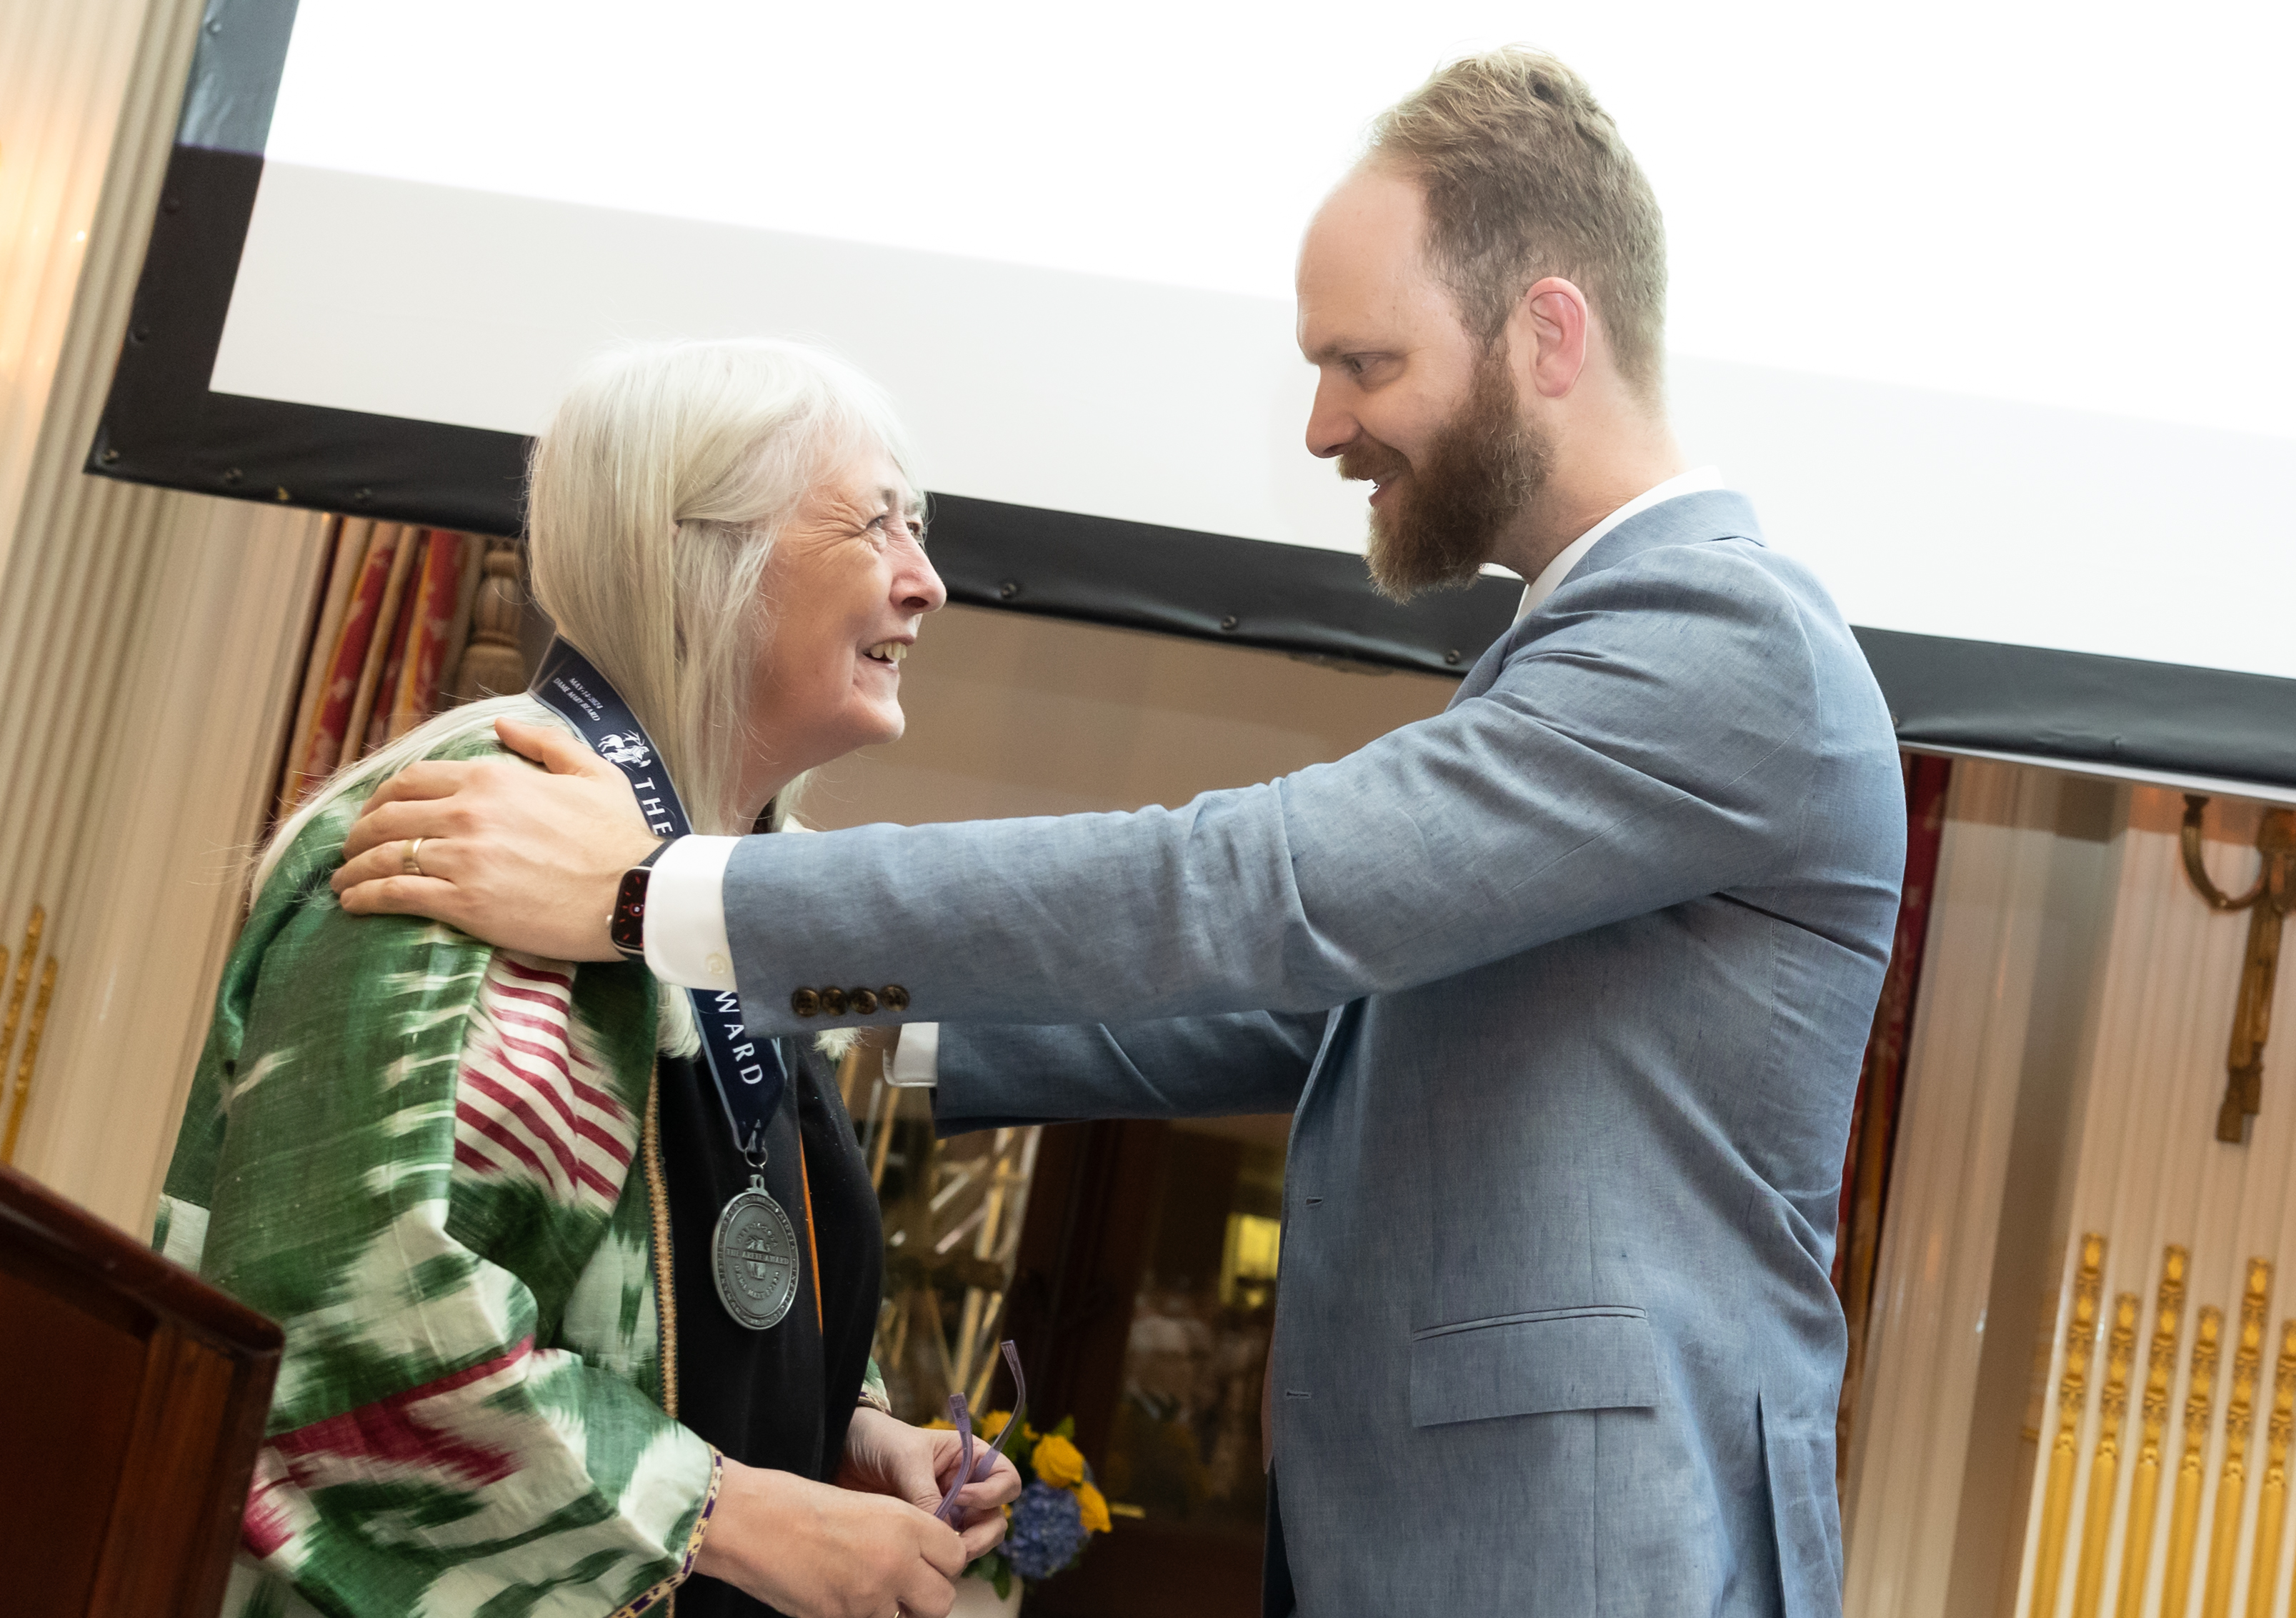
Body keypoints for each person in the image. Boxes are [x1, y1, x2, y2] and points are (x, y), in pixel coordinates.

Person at [330, 50, 1905, 1617]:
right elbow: (1318, 1012)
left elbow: (1255, 897)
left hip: (1583, 1549)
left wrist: (651, 891)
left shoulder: (1719, 639)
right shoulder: (1606, 654)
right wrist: (866, 1022)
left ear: (1547, 332)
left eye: (1363, 361)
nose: (1321, 426)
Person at [153, 339, 1015, 1618]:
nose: (926, 582)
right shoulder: (474, 830)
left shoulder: (711, 894)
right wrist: (739, 1509)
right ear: (700, 555)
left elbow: (688, 1291)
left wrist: (847, 1429)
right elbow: (353, 1332)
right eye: (876, 524)